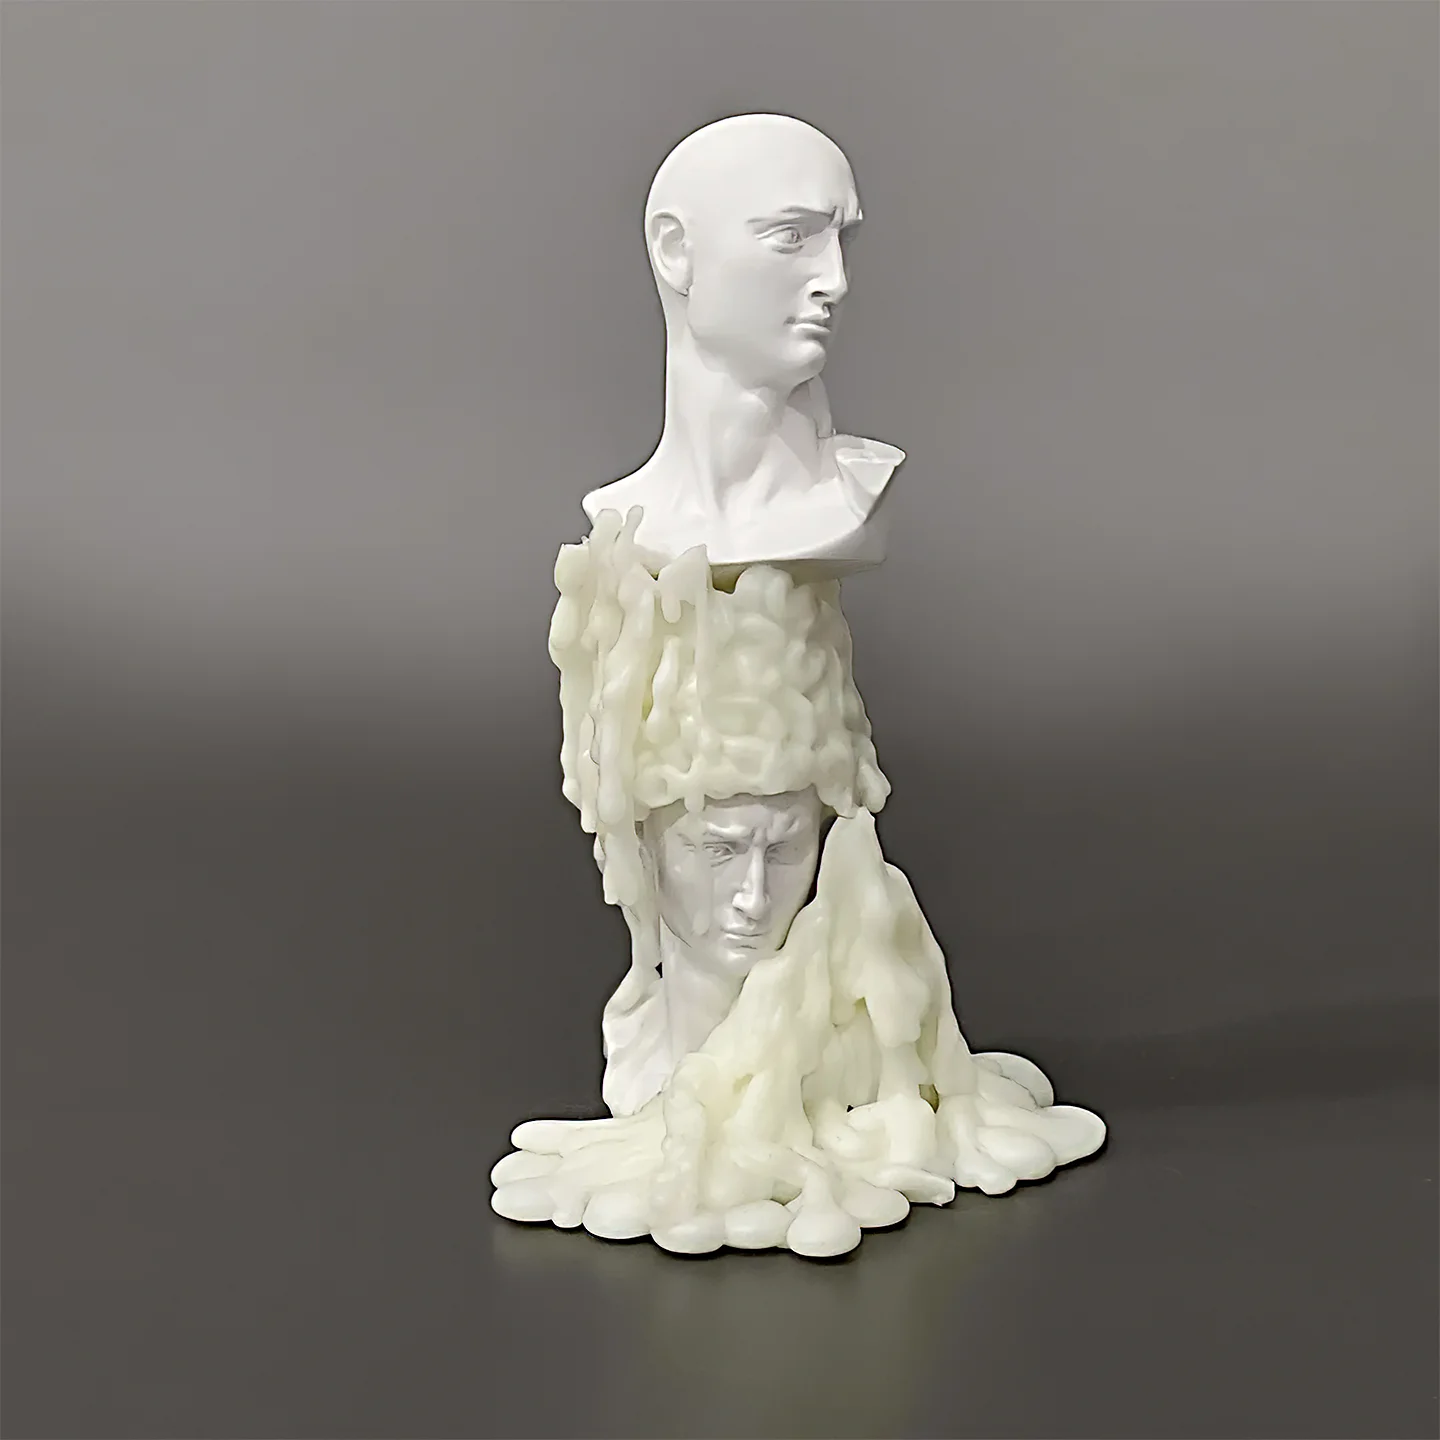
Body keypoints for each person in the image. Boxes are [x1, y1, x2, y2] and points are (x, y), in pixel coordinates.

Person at [582, 114, 904, 576]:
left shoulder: (857, 495)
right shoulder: (625, 518)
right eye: (792, 236)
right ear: (676, 252)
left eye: (844, 240)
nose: (837, 282)